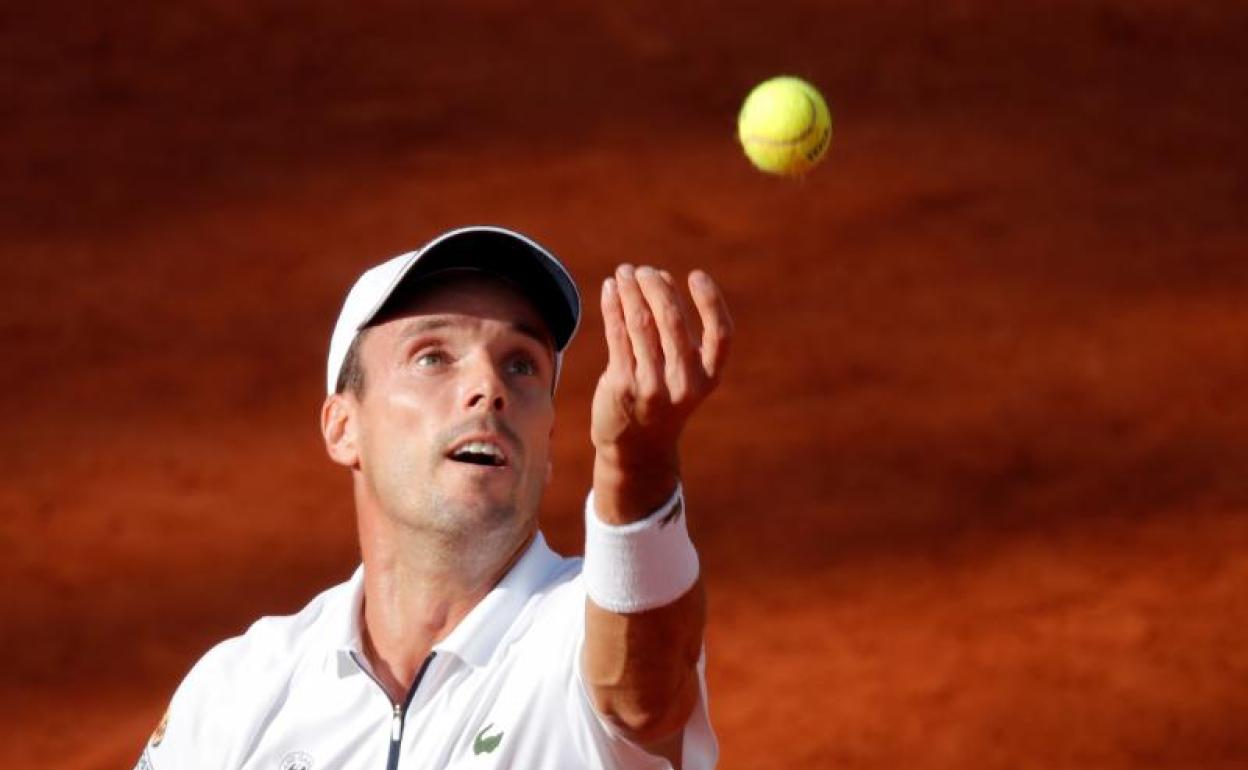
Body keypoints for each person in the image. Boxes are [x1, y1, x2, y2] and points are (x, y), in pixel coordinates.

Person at [135, 225, 732, 770]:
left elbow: (641, 698)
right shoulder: (242, 689)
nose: (488, 388)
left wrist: (637, 465)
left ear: (547, 445)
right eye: (433, 357)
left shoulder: (578, 630)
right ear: (343, 427)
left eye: (522, 366)